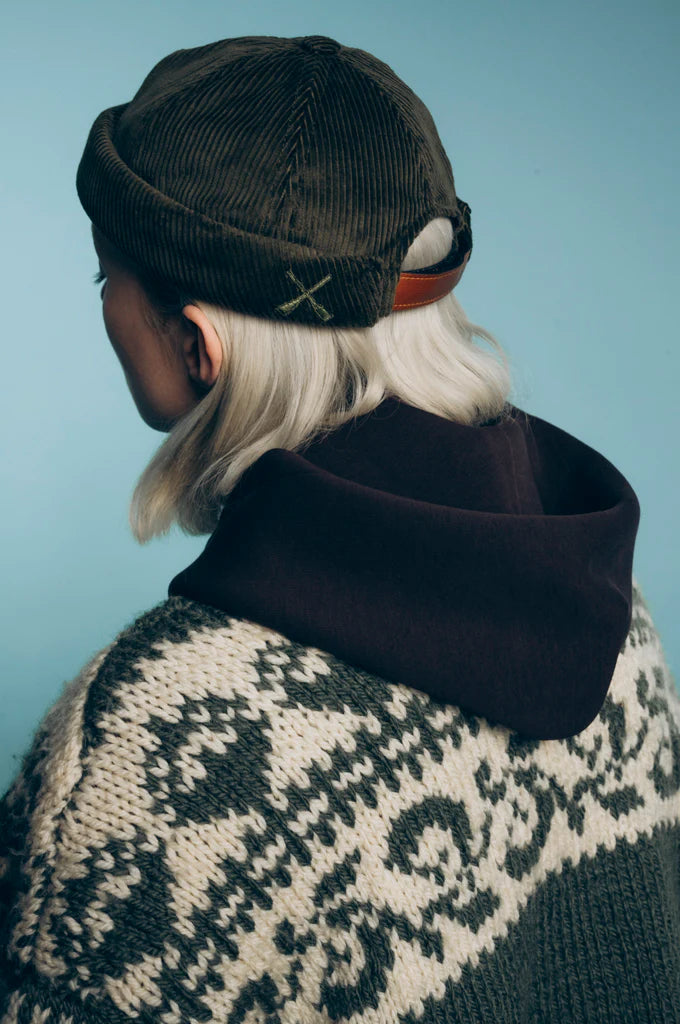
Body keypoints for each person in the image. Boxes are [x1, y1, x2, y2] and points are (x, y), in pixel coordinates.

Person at [1, 34, 678, 1024]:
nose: (103, 306)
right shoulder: (613, 616)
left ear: (197, 344)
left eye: (105, 276)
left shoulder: (152, 747)